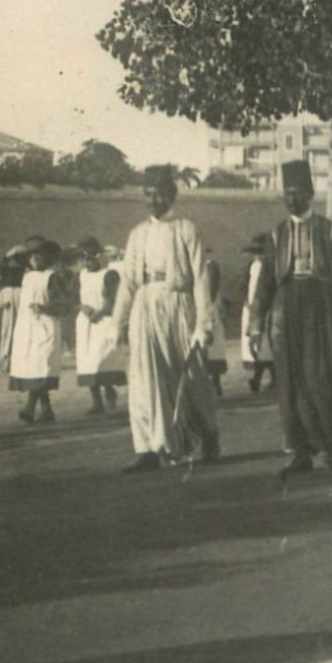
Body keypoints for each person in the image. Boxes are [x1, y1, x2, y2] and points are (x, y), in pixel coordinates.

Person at [247, 160, 332, 479]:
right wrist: (255, 326)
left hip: (319, 310)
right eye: (287, 194)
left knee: (320, 379)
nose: (292, 199)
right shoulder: (277, 234)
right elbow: (265, 282)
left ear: (310, 193)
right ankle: (300, 451)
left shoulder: (331, 231)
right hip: (285, 311)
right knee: (290, 383)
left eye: (297, 193)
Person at [112, 164, 221, 471]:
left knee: (191, 377)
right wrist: (118, 321)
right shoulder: (138, 234)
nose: (152, 200)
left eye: (159, 193)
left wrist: (204, 324)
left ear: (171, 195)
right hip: (146, 309)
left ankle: (209, 435)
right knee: (145, 379)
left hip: (179, 307)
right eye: (147, 194)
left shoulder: (186, 228)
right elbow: (129, 280)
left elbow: (201, 277)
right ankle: (148, 448)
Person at [9, 239, 65, 424]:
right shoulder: (26, 276)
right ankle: (46, 410)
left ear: (47, 258)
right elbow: (4, 267)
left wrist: (44, 308)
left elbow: (63, 305)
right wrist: (12, 252)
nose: (33, 259)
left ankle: (30, 407)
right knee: (33, 368)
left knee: (40, 366)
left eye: (38, 256)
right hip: (27, 328)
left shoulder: (52, 277)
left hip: (45, 327)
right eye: (31, 256)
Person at [74, 236, 125, 415]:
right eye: (83, 258)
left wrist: (100, 312)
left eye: (90, 257)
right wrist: (82, 307)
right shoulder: (81, 276)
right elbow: (74, 297)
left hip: (104, 322)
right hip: (86, 322)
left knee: (101, 360)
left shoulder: (109, 275)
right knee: (87, 362)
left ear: (98, 256)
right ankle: (96, 401)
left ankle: (109, 388)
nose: (87, 262)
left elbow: (115, 300)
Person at [239, 233, 275, 394]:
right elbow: (243, 285)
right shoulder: (251, 266)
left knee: (266, 346)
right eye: (255, 253)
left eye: (260, 253)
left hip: (266, 310)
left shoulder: (270, 267)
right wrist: (246, 299)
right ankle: (260, 378)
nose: (258, 256)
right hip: (253, 308)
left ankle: (260, 379)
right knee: (257, 346)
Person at [201, 247, 230, 397]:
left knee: (211, 346)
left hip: (208, 307)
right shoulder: (204, 266)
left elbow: (211, 289)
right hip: (207, 306)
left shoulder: (210, 266)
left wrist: (208, 305)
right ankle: (212, 383)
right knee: (210, 347)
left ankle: (215, 383)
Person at [0, 247, 27, 374]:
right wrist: (7, 256)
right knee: (8, 332)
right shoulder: (6, 288)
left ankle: (21, 360)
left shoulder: (26, 271)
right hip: (10, 301)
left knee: (22, 332)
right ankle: (8, 360)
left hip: (21, 299)